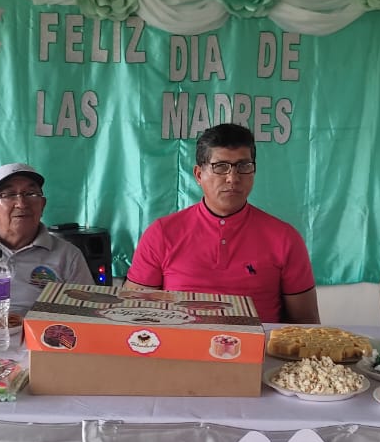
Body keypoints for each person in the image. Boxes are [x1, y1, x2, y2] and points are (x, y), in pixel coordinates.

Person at [125, 124, 321, 324]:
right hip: (180, 343)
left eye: (243, 166)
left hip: (260, 344)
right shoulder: (161, 234)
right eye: (220, 167)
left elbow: (306, 325)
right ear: (198, 175)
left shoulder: (285, 239)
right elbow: (133, 316)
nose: (232, 178)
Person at [0, 163, 94, 320]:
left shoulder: (69, 255)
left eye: (31, 194)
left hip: (39, 334)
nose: (21, 204)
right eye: (8, 195)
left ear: (42, 205)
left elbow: (86, 317)